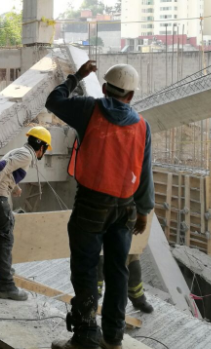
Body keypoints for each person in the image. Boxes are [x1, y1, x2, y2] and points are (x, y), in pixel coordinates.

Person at [46, 61, 153, 349]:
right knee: (118, 271)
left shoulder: (88, 109)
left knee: (85, 269)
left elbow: (53, 101)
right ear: (131, 96)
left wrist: (77, 77)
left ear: (104, 88)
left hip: (92, 204)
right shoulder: (143, 126)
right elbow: (144, 172)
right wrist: (144, 211)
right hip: (127, 208)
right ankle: (113, 340)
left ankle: (84, 337)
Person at [0, 126, 52, 301]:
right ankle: (6, 285)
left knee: (7, 226)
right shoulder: (27, 155)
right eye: (45, 149)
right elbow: (2, 166)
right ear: (41, 147)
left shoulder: (21, 151)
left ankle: (0, 265)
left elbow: (8, 171)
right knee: (7, 235)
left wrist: (15, 187)